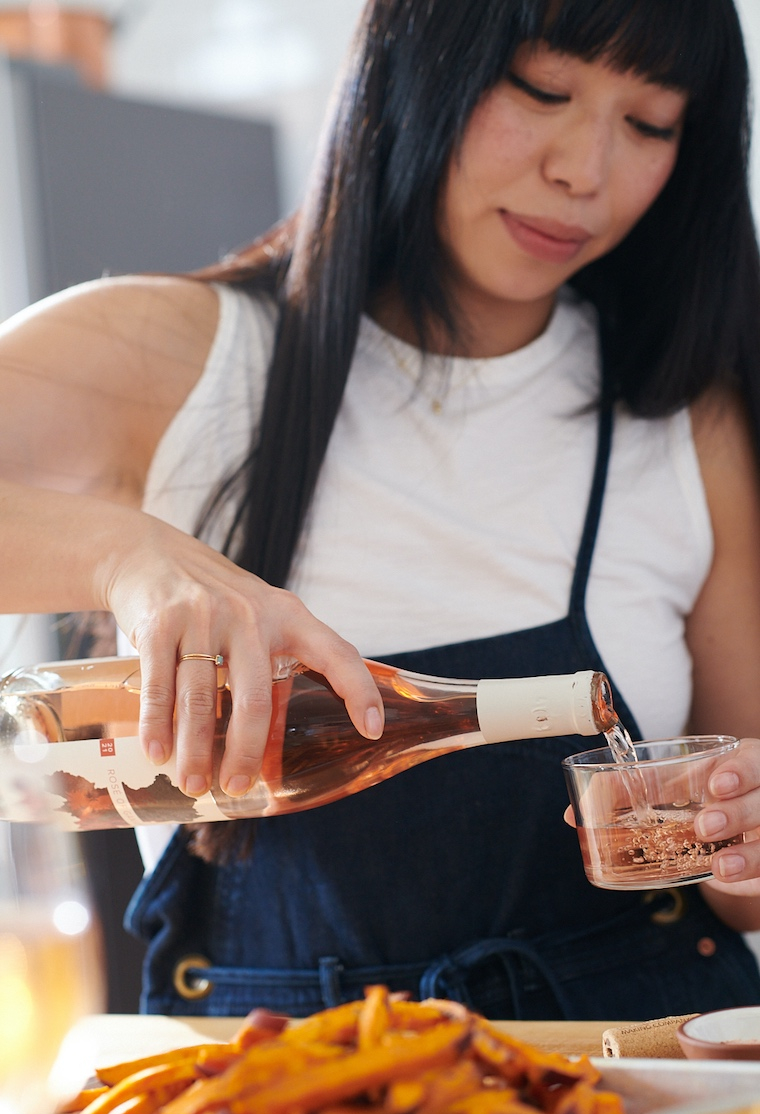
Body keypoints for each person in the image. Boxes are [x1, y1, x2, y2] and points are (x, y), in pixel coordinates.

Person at [2, 0, 760, 1020]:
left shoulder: (681, 412)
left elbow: (731, 867)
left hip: (658, 1089)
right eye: (542, 91)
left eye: (650, 124)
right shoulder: (176, 355)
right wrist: (127, 559)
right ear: (415, 67)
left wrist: (738, 841)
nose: (586, 170)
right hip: (286, 1091)